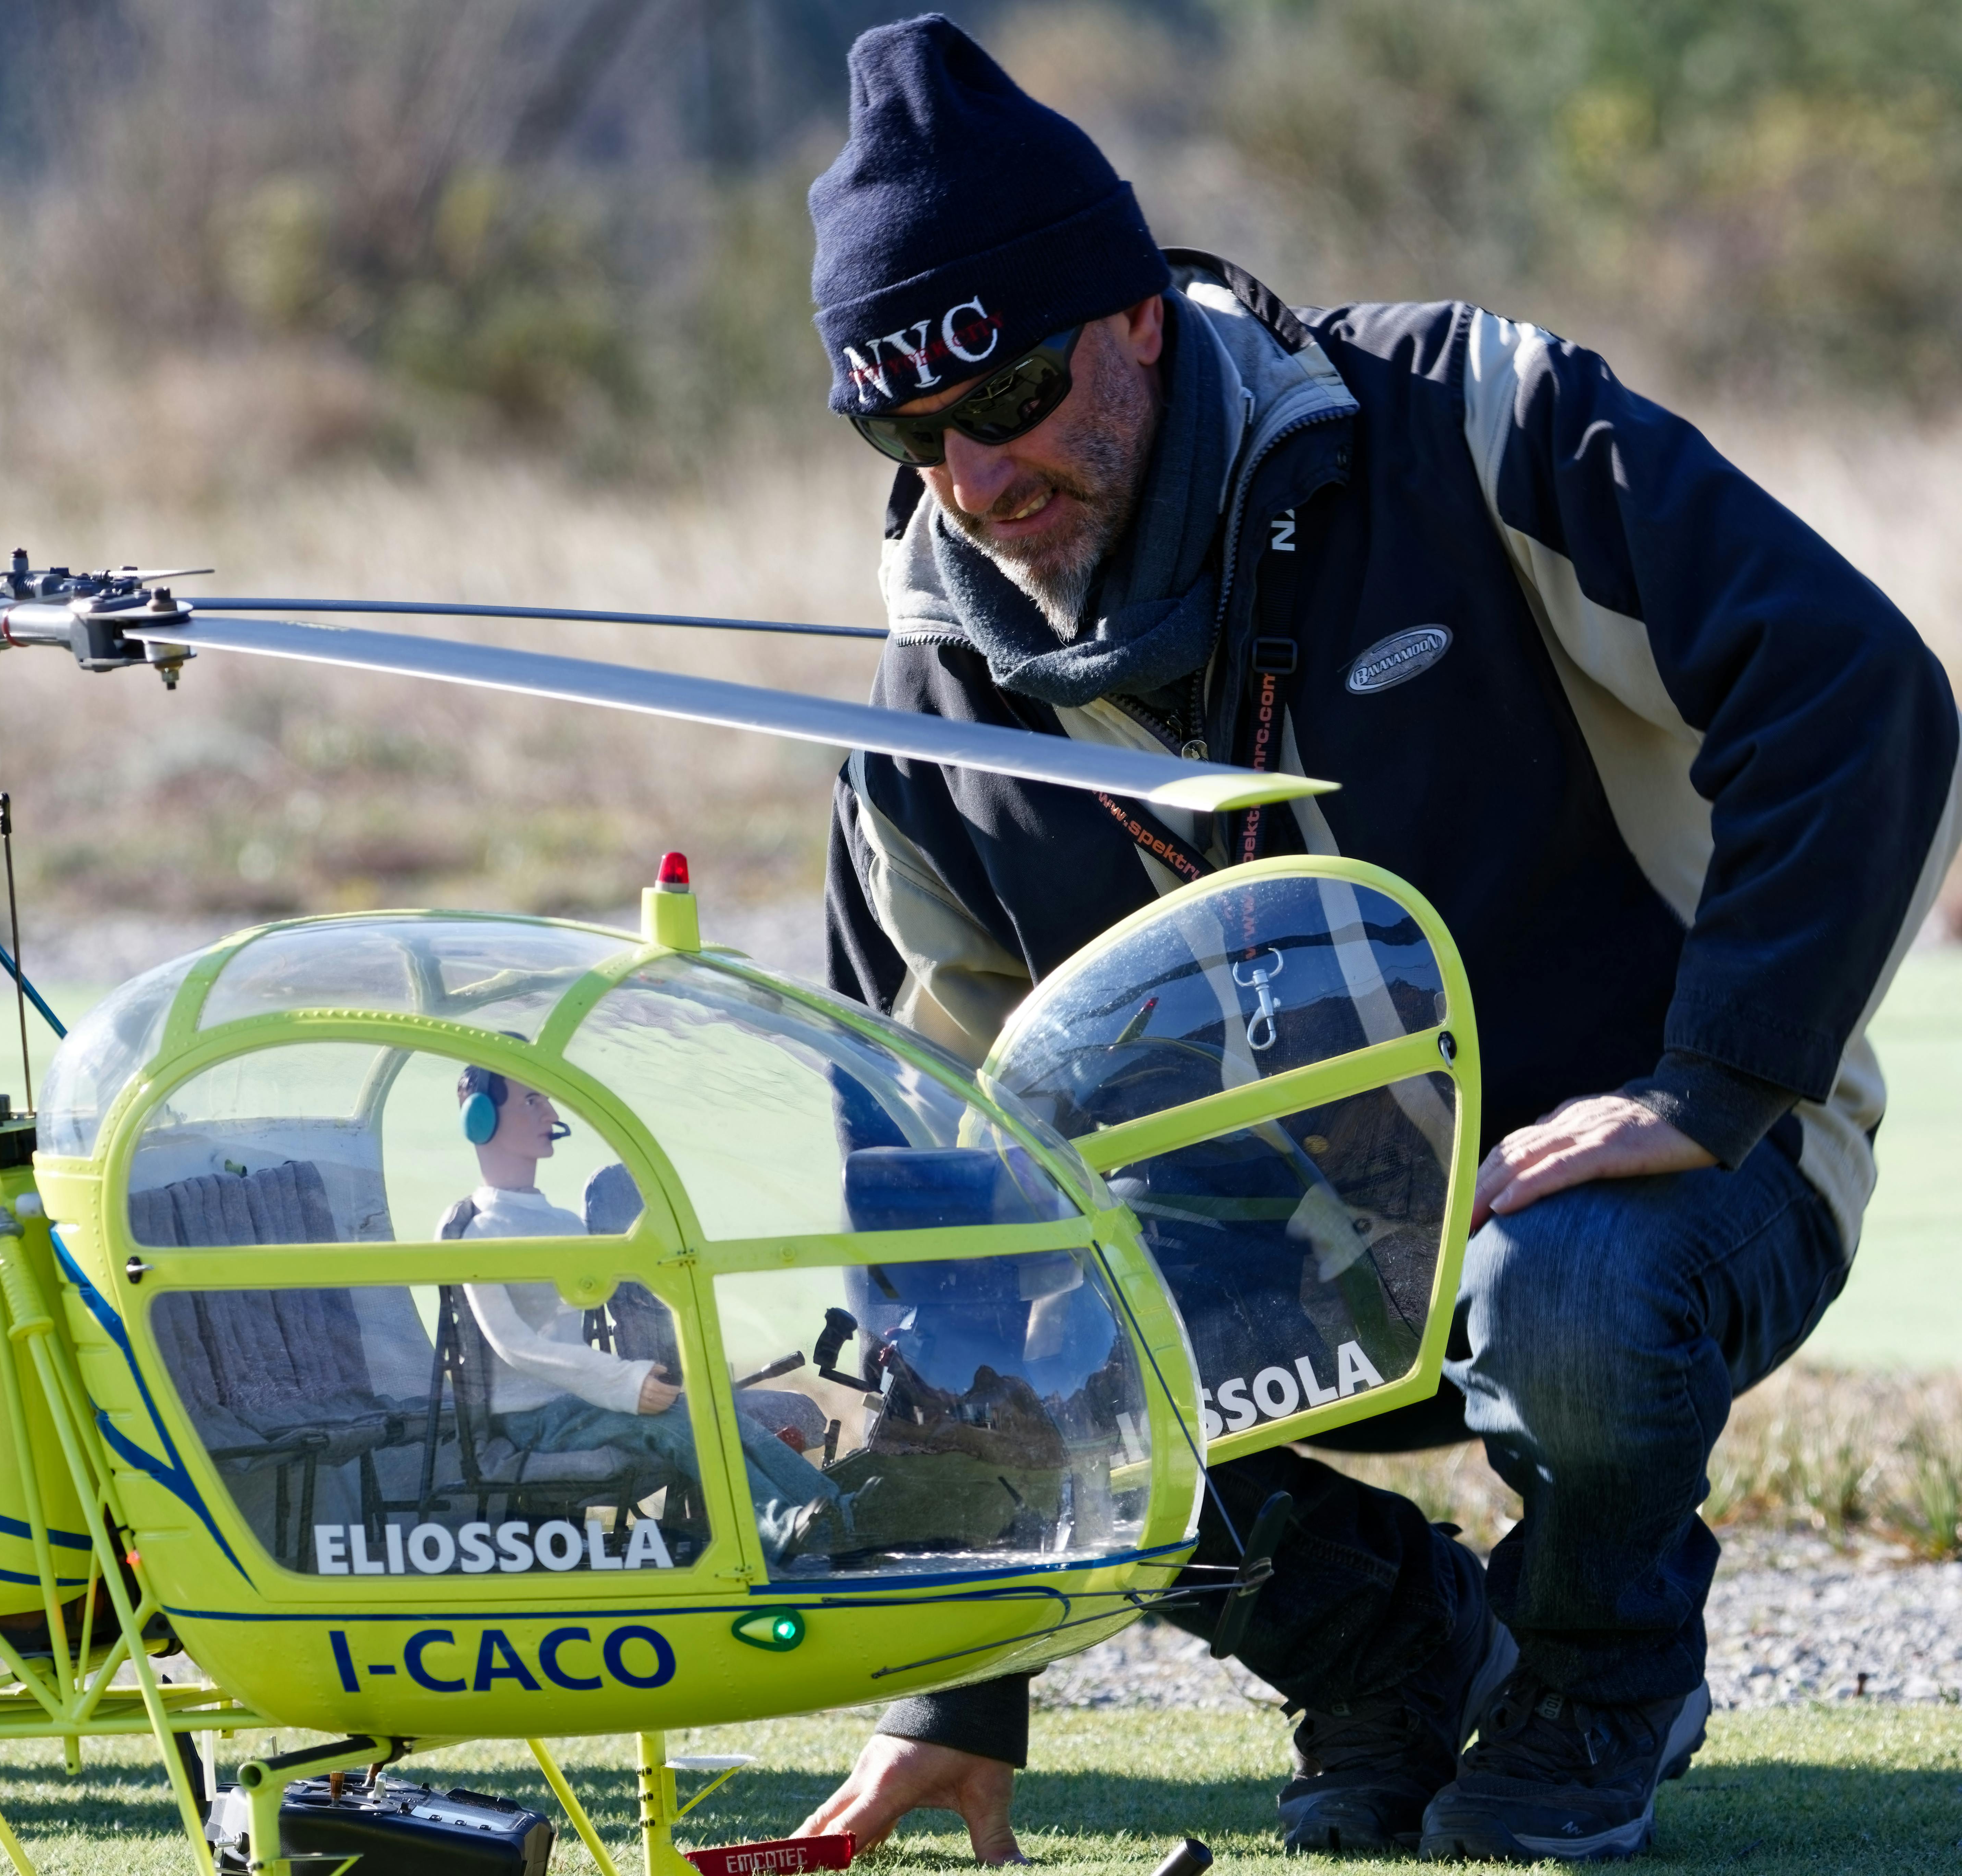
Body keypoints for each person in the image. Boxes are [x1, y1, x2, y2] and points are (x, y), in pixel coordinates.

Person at [792, 15, 1957, 1864]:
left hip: (1659, 1192)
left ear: (1137, 319)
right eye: (902, 428)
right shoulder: (924, 718)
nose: (972, 479)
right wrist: (963, 1684)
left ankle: (1600, 1672)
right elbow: (933, 1214)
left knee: (1571, 1292)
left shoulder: (1476, 421)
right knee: (886, 1391)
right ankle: (1389, 1642)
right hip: (1273, 1287)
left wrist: (1716, 1078)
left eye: (1004, 392)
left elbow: (1859, 695)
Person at [437, 1067, 840, 1538]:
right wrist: (622, 1380)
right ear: (480, 1119)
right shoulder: (479, 1230)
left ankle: (840, 1508)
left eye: (548, 1100)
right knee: (680, 1431)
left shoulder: (565, 1224)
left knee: (716, 1417)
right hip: (533, 1420)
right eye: (532, 1102)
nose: (551, 1113)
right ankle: (778, 1528)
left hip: (585, 1402)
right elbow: (514, 1346)